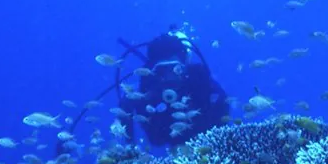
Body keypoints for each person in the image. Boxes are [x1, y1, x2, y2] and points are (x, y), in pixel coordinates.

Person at [67, 26, 228, 148]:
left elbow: (223, 103)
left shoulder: (199, 81)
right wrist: (127, 146)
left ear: (184, 68)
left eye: (175, 69)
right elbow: (126, 108)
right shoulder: (147, 90)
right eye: (161, 71)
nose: (169, 78)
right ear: (153, 71)